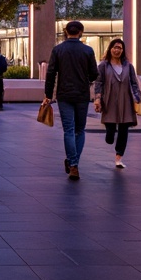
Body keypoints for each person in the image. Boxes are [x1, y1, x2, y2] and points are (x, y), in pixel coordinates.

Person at [43, 20, 98, 180]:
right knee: (80, 130)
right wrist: (86, 79)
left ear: (66, 32)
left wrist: (48, 95)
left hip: (64, 94)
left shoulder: (58, 50)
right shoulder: (87, 51)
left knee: (68, 129)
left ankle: (73, 164)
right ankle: (74, 164)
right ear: (81, 32)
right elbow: (94, 73)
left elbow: (51, 73)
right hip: (82, 95)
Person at [92, 38, 141, 169]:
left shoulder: (128, 66)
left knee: (124, 129)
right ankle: (109, 135)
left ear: (123, 50)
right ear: (110, 49)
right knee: (110, 133)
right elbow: (98, 83)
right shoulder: (103, 66)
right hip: (109, 100)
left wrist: (137, 96)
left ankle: (118, 157)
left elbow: (134, 82)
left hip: (125, 100)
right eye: (115, 47)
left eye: (120, 48)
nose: (117, 50)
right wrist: (97, 99)